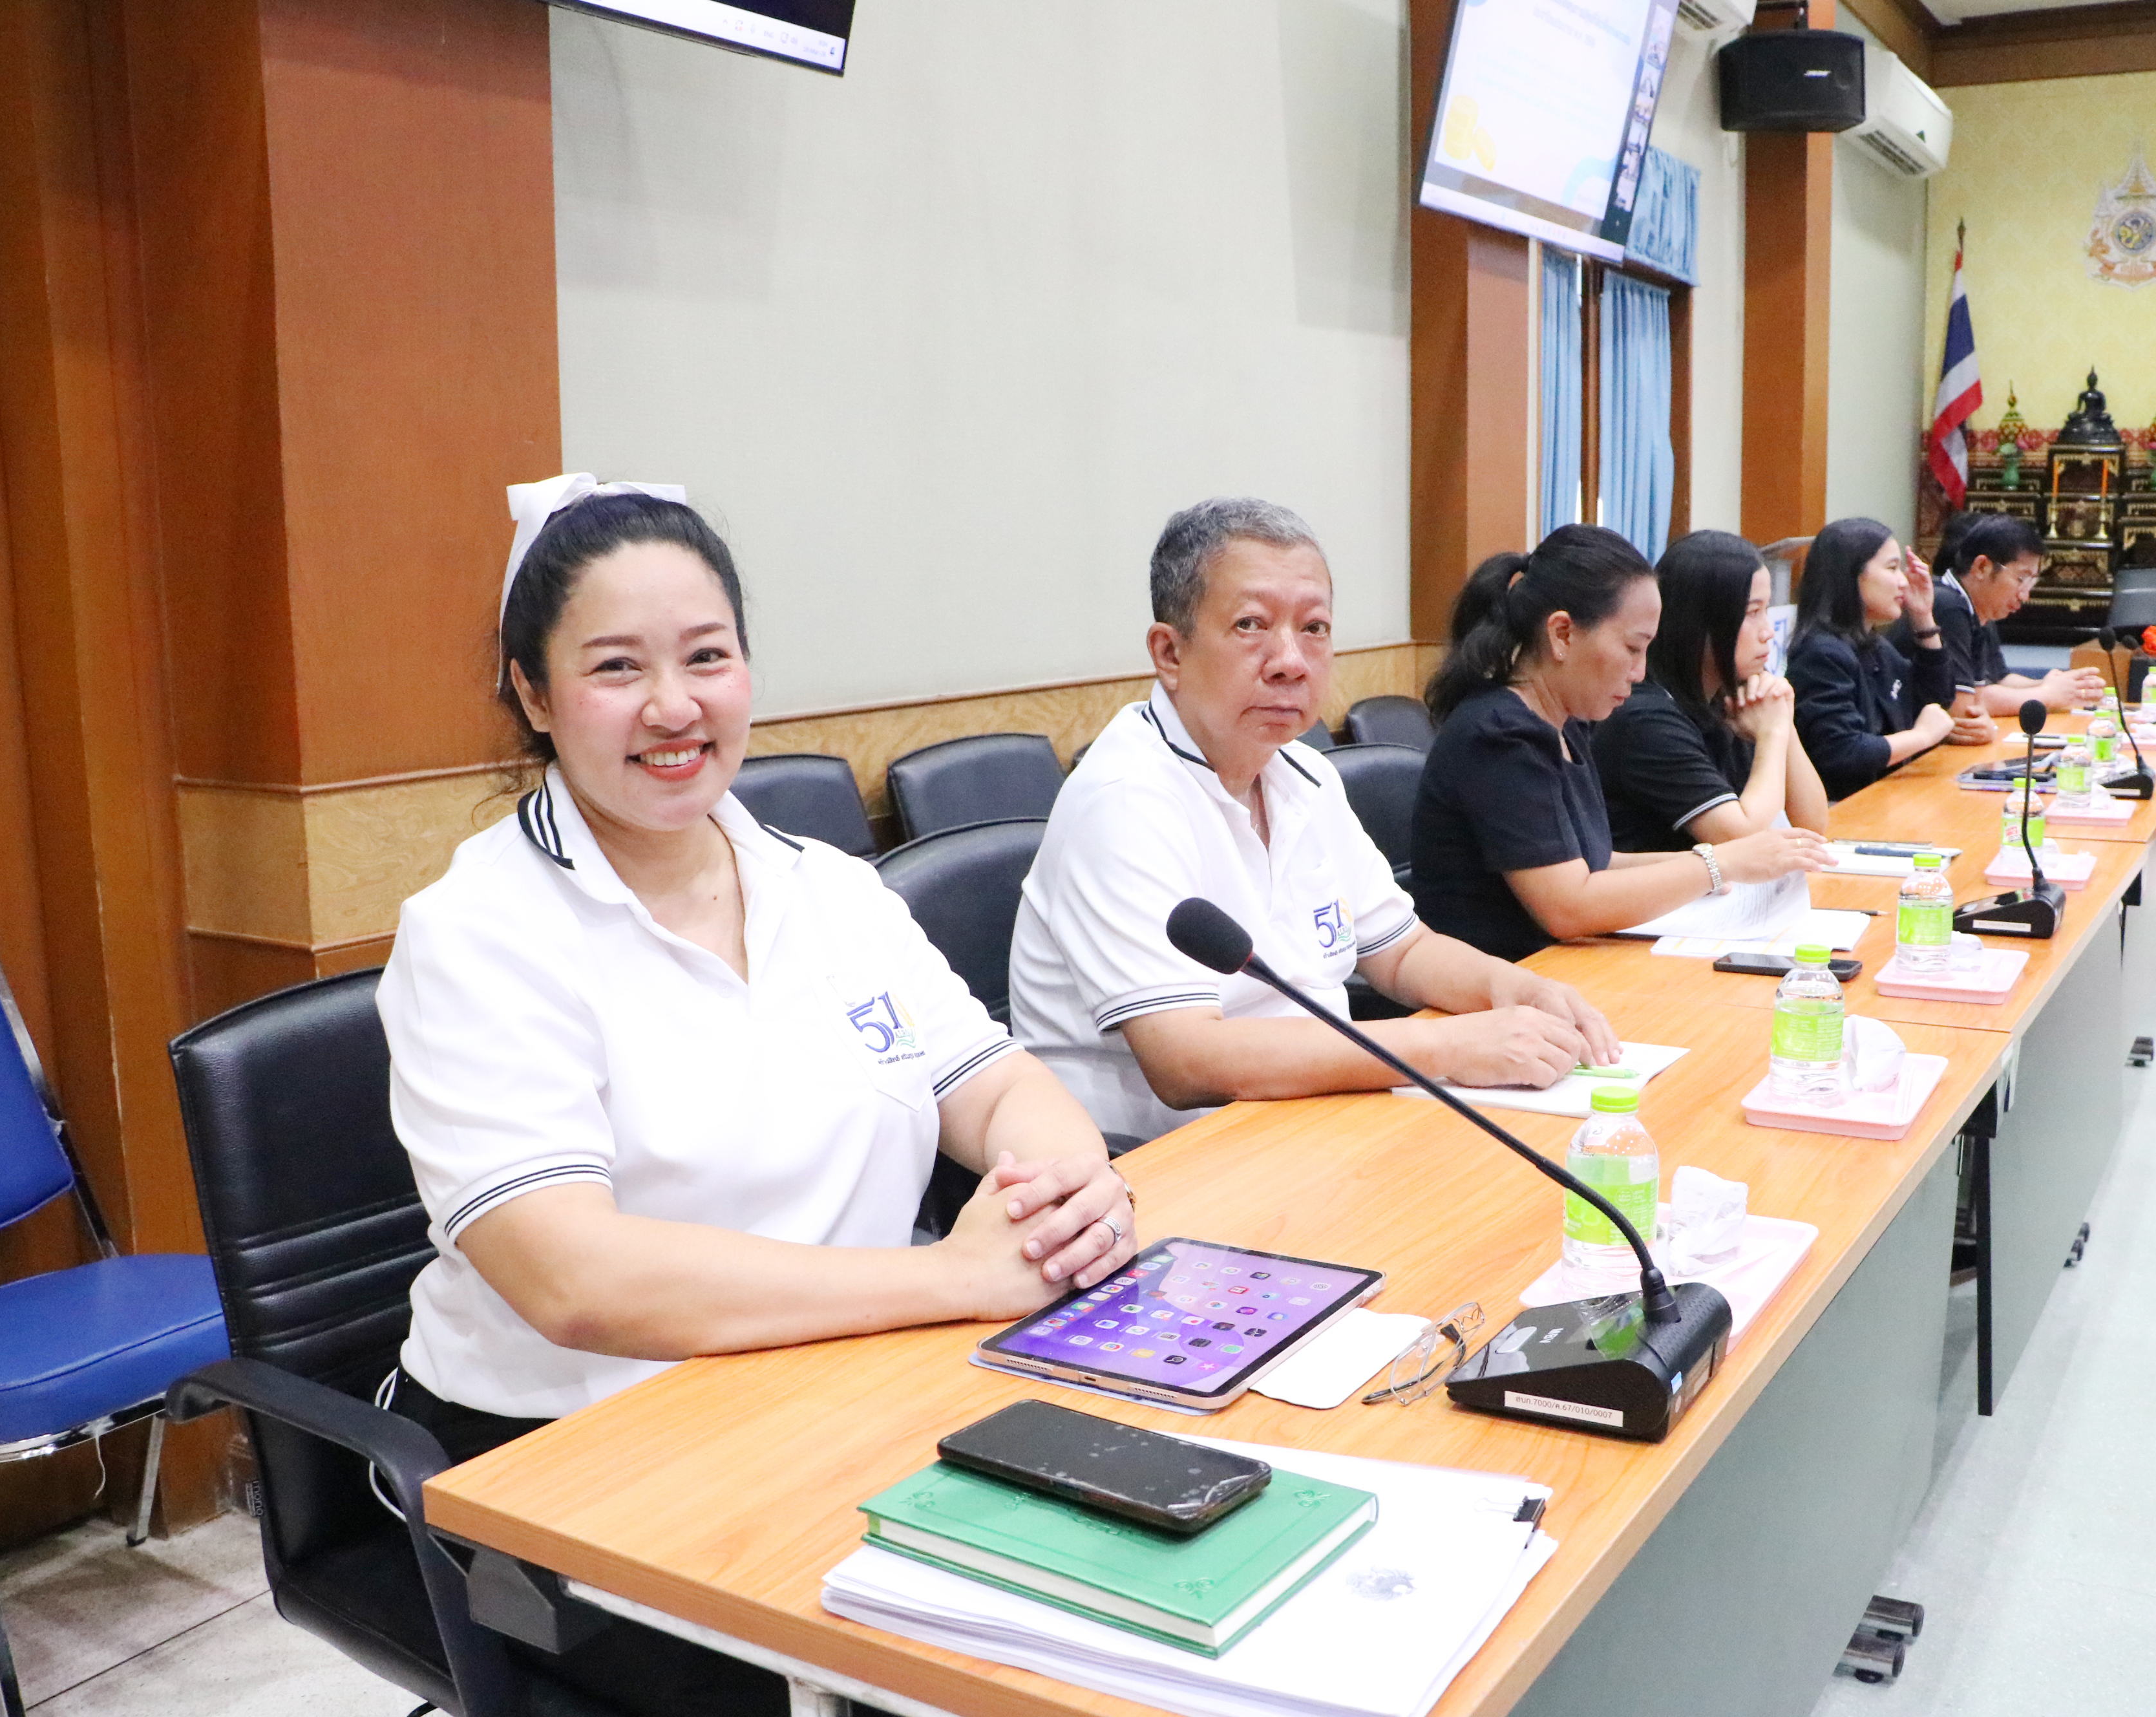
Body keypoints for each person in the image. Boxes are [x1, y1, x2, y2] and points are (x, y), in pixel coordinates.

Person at [378, 476, 1133, 1717]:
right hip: (579, 1454)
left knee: (1111, 1601)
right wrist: (953, 1279)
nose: (674, 706)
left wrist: (1066, 1187)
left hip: (849, 1386)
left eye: (706, 656)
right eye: (615, 667)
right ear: (533, 692)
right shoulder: (477, 932)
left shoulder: (827, 888)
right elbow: (573, 1281)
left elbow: (996, 1082)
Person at [1010, 497, 1621, 1144]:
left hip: (1310, 1119)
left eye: (1314, 628)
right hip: (1158, 1161)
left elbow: (1402, 951)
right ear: (1170, 652)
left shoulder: (1304, 773)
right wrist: (1447, 1046)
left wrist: (1516, 988)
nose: (1291, 660)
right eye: (1250, 625)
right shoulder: (1123, 800)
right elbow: (1187, 1060)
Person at [1410, 523, 1835, 963]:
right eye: (1633, 649)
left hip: (1561, 968)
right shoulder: (1499, 734)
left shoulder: (1565, 722)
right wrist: (1718, 864)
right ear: (1562, 635)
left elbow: (1597, 863)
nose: (1640, 671)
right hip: (1504, 981)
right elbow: (1568, 907)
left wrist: (1718, 864)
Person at [1593, 529, 1832, 853]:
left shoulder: (1732, 698)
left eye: (1767, 610)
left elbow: (1812, 825)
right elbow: (1741, 837)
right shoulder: (1644, 719)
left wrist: (1783, 721)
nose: (1768, 632)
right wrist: (1773, 733)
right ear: (1700, 621)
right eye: (1752, 613)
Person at [1785, 516, 1958, 801]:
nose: (1903, 582)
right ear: (1851, 575)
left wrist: (1923, 617)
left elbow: (1935, 701)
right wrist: (1922, 737)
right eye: (1892, 568)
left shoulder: (1874, 645)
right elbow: (1843, 752)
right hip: (1839, 808)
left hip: (1880, 797)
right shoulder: (1821, 654)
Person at [1925, 511, 2106, 723]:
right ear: (1982, 567)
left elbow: (1989, 688)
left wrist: (2053, 686)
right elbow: (1966, 709)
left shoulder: (1975, 610)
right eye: (2021, 579)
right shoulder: (1948, 605)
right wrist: (2048, 695)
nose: (2025, 596)